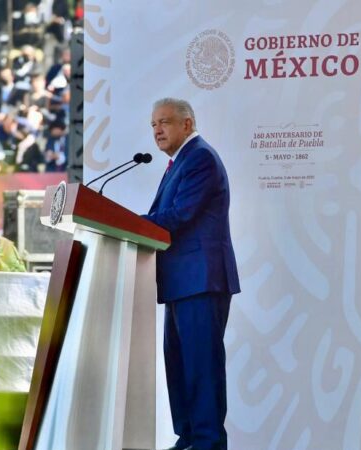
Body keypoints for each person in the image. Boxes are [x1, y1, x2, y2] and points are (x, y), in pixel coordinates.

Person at [143, 98, 240, 450]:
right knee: (181, 367)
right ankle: (189, 439)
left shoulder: (199, 157)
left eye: (164, 122)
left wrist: (129, 223)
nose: (157, 130)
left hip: (201, 281)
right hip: (182, 283)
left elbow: (179, 215)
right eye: (153, 124)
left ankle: (207, 443)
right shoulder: (179, 161)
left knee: (201, 368)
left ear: (187, 123)